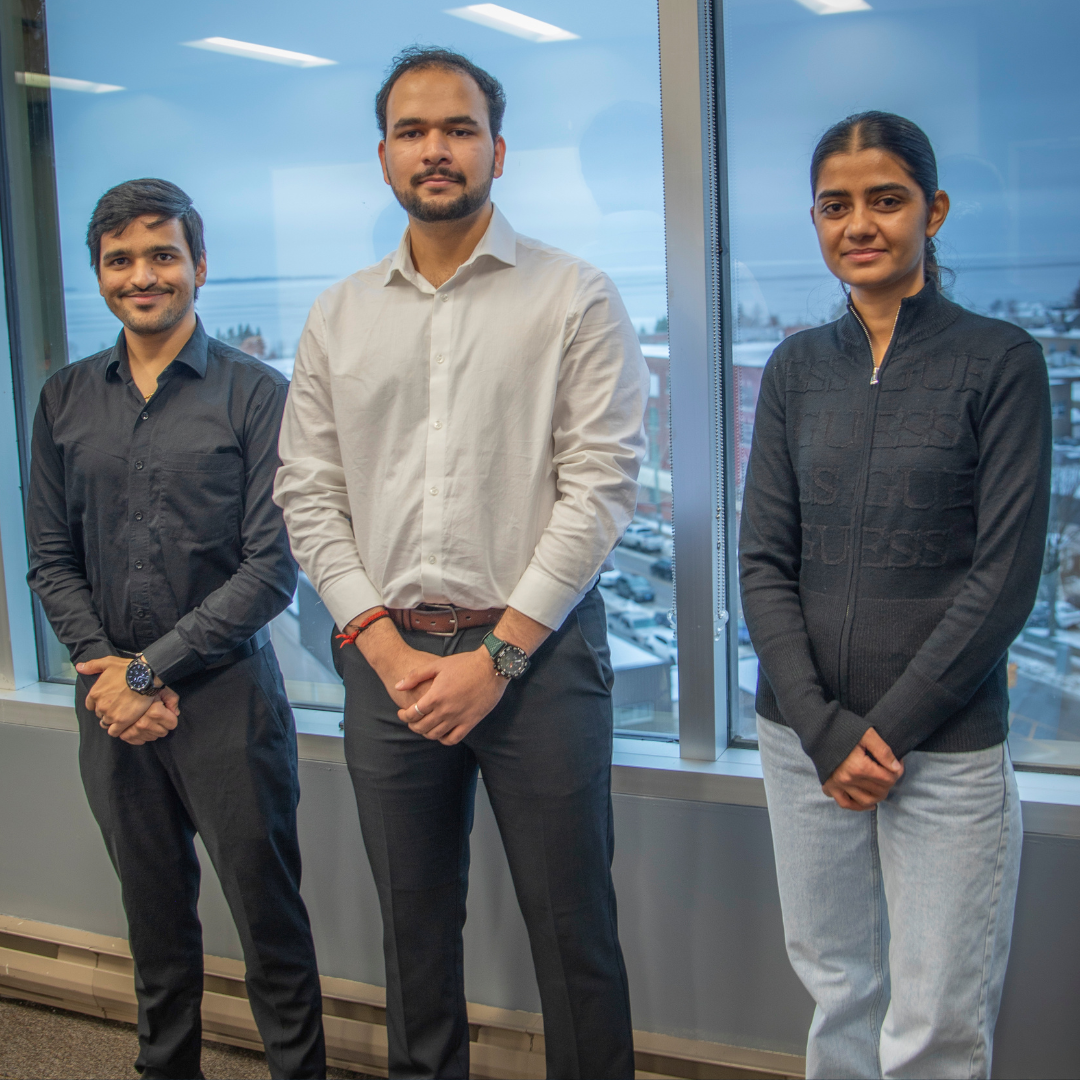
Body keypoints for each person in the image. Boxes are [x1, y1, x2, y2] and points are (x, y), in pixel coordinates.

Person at [275, 46, 647, 1080]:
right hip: (385, 658)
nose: (435, 149)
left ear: (498, 149)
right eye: (413, 131)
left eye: (457, 129)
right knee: (415, 932)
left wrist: (500, 658)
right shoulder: (337, 314)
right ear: (384, 155)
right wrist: (385, 650)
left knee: (575, 936)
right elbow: (308, 494)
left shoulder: (575, 296)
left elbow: (602, 487)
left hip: (539, 663)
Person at [739, 111, 1051, 1080]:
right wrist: (827, 733)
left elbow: (1004, 579)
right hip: (803, 745)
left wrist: (890, 730)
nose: (860, 224)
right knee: (840, 993)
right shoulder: (795, 368)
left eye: (887, 200)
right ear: (816, 220)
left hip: (946, 750)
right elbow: (761, 563)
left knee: (935, 1023)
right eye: (837, 206)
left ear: (935, 210)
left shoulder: (1000, 362)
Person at [26, 179, 325, 1080]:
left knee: (269, 922)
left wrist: (148, 673)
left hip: (227, 701)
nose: (142, 275)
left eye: (163, 255)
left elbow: (272, 568)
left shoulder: (257, 395)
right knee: (154, 924)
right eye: (121, 260)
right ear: (100, 275)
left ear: (200, 265)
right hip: (109, 703)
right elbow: (48, 554)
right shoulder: (65, 399)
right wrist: (107, 671)